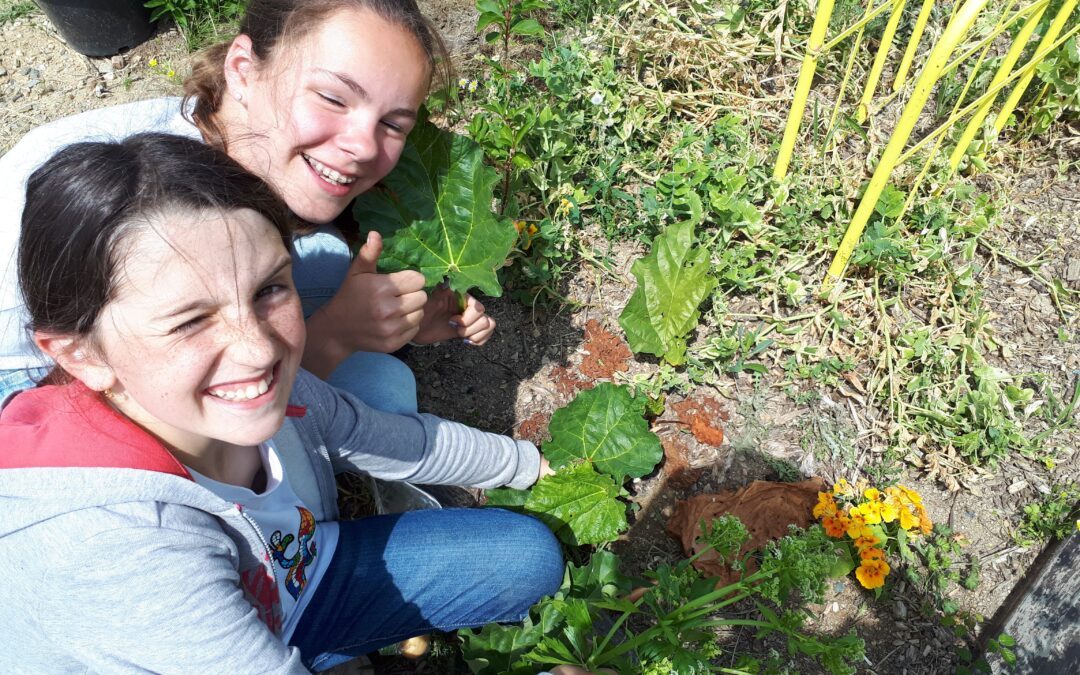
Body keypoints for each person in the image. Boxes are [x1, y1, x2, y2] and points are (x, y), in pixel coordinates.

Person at [0, 133, 562, 673]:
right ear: (81, 355)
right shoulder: (120, 551)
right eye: (191, 320)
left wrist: (526, 464)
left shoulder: (265, 392)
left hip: (295, 579)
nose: (257, 349)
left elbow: (393, 440)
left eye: (270, 289)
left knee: (527, 558)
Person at [0, 0, 496, 411]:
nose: (365, 146)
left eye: (394, 125)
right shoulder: (158, 209)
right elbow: (138, 409)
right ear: (242, 70)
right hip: (32, 392)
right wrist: (335, 338)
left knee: (326, 262)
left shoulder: (241, 153)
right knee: (379, 387)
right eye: (332, 98)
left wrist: (404, 317)